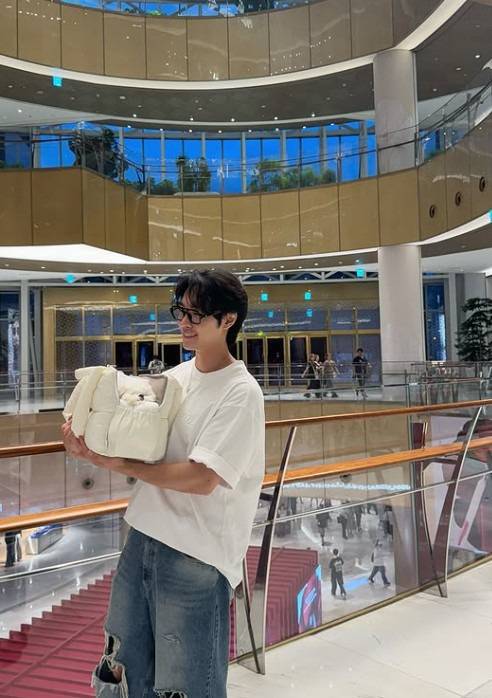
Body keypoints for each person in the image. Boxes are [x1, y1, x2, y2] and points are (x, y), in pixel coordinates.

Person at [62, 269, 265, 698]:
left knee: (186, 685)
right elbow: (138, 444)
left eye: (196, 314)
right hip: (143, 536)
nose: (184, 323)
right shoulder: (175, 378)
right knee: (122, 668)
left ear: (228, 319)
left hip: (198, 554)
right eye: (180, 311)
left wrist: (116, 462)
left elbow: (203, 477)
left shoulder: (241, 392)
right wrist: (90, 444)